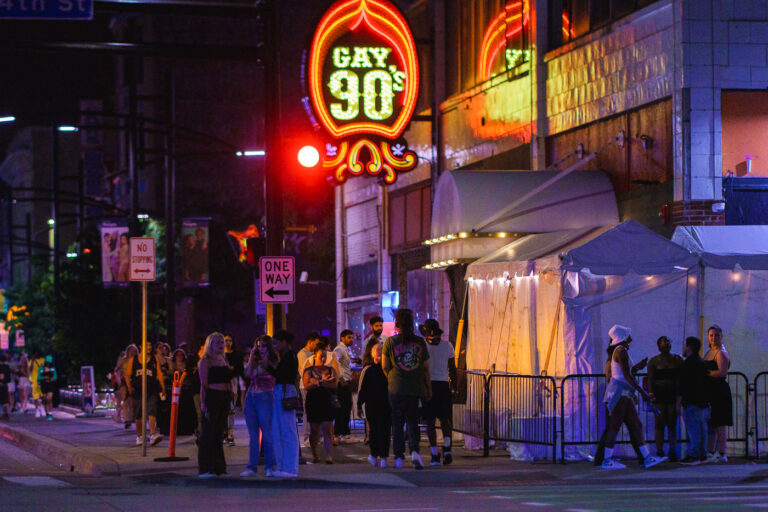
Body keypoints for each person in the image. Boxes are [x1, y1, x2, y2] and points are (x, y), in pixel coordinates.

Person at [600, 325, 665, 469]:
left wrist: (637, 368)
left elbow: (626, 372)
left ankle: (646, 457)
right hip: (620, 392)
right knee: (615, 426)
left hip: (623, 392)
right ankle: (606, 459)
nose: (630, 337)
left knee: (635, 425)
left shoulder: (620, 351)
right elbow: (626, 375)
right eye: (627, 334)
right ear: (623, 336)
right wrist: (642, 392)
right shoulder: (621, 351)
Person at [382, 308, 430, 470]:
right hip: (414, 387)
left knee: (397, 422)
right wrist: (428, 388)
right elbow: (425, 368)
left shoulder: (390, 342)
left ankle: (398, 457)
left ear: (397, 324)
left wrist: (392, 377)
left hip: (395, 387)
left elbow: (384, 366)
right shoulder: (420, 342)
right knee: (412, 421)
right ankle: (415, 452)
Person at [420, 319, 457, 466]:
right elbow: (452, 368)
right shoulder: (448, 346)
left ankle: (434, 454)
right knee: (445, 420)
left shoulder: (423, 347)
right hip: (443, 385)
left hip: (429, 385)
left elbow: (421, 369)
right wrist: (454, 387)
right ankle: (447, 449)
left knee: (430, 421)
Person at [241, 335, 279, 477]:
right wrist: (252, 357)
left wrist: (264, 358)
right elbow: (247, 373)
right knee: (253, 435)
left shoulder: (273, 360)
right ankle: (251, 466)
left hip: (265, 396)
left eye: (263, 346)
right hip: (251, 396)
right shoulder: (255, 360)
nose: (260, 349)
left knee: (267, 433)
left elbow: (266, 371)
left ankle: (270, 466)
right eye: (258, 346)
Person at [197, 332, 232, 478]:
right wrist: (203, 403)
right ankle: (206, 467)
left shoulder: (223, 360)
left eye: (222, 342)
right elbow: (204, 384)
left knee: (219, 432)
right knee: (208, 432)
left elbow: (229, 381)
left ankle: (219, 466)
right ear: (210, 344)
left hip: (224, 397)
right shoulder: (206, 361)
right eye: (217, 342)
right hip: (213, 396)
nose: (221, 344)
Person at [302, 337, 338, 464]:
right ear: (314, 356)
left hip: (326, 401)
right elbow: (306, 386)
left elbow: (334, 385)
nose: (323, 359)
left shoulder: (330, 369)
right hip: (313, 401)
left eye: (324, 356)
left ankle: (329, 456)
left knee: (327, 429)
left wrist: (318, 382)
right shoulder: (309, 370)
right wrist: (321, 382)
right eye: (320, 356)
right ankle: (315, 455)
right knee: (314, 430)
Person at [647, 336, 683, 461]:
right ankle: (660, 450)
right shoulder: (654, 361)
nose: (666, 345)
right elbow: (650, 378)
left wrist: (680, 396)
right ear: (658, 346)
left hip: (673, 394)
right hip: (659, 394)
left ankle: (672, 450)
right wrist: (651, 394)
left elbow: (680, 379)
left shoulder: (677, 359)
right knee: (660, 423)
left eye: (668, 342)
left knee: (672, 423)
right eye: (663, 343)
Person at [677, 336, 710, 464]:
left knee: (693, 429)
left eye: (685, 346)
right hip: (702, 401)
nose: (683, 348)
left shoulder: (687, 364)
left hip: (691, 401)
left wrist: (678, 402)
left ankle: (694, 455)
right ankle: (702, 454)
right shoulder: (701, 362)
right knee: (702, 429)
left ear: (689, 348)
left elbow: (683, 385)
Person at [271, 329, 300, 477]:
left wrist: (268, 366)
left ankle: (290, 468)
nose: (275, 345)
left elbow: (281, 375)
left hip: (285, 392)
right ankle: (284, 466)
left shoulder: (290, 357)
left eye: (277, 342)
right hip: (281, 391)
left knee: (287, 431)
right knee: (280, 430)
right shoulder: (286, 357)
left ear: (284, 342)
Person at [357, 343, 391, 468]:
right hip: (386, 403)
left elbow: (363, 389)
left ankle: (374, 455)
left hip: (372, 404)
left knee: (374, 431)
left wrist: (359, 404)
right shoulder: (389, 369)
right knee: (385, 430)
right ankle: (384, 457)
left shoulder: (369, 370)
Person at [125, 342, 165, 446]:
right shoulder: (133, 360)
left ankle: (152, 435)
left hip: (151, 390)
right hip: (137, 390)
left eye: (150, 346)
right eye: (146, 345)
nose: (149, 348)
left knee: (152, 411)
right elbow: (127, 374)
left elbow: (159, 373)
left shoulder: (154, 358)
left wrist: (163, 387)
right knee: (139, 415)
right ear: (141, 346)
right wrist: (129, 387)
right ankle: (140, 436)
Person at [703, 324, 732, 463]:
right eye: (711, 335)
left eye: (716, 335)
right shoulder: (708, 352)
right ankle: (710, 451)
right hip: (710, 391)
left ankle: (722, 453)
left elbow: (722, 372)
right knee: (711, 423)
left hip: (719, 391)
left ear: (721, 336)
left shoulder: (721, 353)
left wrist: (705, 373)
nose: (714, 338)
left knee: (720, 423)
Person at [297, 332, 320, 446]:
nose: (317, 346)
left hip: (313, 384)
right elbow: (303, 371)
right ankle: (307, 437)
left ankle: (313, 436)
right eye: (316, 343)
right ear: (310, 342)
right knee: (307, 411)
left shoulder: (313, 353)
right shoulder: (302, 354)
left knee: (313, 411)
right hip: (306, 385)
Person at [333, 329, 354, 444]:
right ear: (342, 338)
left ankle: (344, 433)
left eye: (352, 337)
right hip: (342, 383)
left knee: (347, 407)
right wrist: (341, 379)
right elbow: (335, 364)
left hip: (346, 381)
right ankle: (338, 434)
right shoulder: (339, 349)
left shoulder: (346, 349)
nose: (351, 340)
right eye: (349, 337)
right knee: (341, 408)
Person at [224, 335, 244, 447]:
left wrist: (231, 369)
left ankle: (230, 433)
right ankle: (224, 432)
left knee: (231, 408)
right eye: (226, 340)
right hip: (221, 383)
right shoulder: (220, 354)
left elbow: (238, 369)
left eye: (230, 340)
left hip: (232, 382)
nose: (228, 342)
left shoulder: (236, 355)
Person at [38, 355, 58, 421]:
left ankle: (50, 412)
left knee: (49, 398)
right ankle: (46, 412)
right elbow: (39, 377)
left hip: (50, 384)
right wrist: (44, 378)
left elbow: (55, 377)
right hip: (43, 385)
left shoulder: (53, 369)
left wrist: (52, 378)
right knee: (44, 398)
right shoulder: (41, 368)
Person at [29, 350, 45, 418]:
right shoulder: (31, 361)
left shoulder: (42, 360)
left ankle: (42, 407)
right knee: (36, 396)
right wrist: (32, 361)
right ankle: (37, 409)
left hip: (42, 380)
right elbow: (30, 369)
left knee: (43, 395)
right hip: (35, 381)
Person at [0, 353, 11, 420]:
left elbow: (1, 377)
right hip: (5, 385)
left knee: (2, 400)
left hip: (1, 385)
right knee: (5, 401)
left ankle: (3, 414)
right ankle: (6, 414)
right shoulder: (7, 367)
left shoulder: (1, 368)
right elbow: (8, 378)